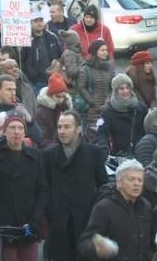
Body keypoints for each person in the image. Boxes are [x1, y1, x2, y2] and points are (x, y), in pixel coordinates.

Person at [0, 112, 48, 260]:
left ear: (25, 132)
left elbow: (42, 190)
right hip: (2, 226)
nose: (17, 132)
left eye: (20, 128)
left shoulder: (35, 156)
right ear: (4, 132)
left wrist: (36, 219)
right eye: (12, 127)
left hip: (28, 225)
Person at [42, 111, 107, 261]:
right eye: (59, 127)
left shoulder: (93, 153)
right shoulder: (47, 155)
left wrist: (95, 212)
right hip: (58, 225)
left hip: (86, 222)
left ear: (78, 129)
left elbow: (103, 186)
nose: (62, 131)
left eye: (67, 127)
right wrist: (50, 211)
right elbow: (43, 188)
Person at [78, 159, 153, 261]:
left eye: (140, 180)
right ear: (119, 182)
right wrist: (97, 248)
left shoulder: (146, 206)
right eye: (131, 179)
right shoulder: (104, 207)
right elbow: (85, 244)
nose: (137, 183)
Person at [96, 74, 148, 157]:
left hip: (141, 152)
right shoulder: (107, 112)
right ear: (115, 91)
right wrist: (104, 149)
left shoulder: (141, 108)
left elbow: (148, 128)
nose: (125, 91)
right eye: (121, 88)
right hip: (120, 155)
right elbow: (101, 132)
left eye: (128, 88)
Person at [21, 10, 62, 93]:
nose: (39, 23)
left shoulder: (52, 37)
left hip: (53, 78)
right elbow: (22, 62)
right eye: (36, 21)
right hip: (35, 82)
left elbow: (60, 55)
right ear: (30, 23)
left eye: (41, 20)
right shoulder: (25, 40)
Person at [78, 39, 114, 127]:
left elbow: (113, 86)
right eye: (102, 50)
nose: (105, 52)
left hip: (108, 107)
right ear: (95, 52)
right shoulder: (86, 69)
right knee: (94, 131)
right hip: (92, 110)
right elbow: (81, 87)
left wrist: (108, 101)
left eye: (106, 50)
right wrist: (91, 101)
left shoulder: (109, 68)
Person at [35, 73, 72, 149]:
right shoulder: (41, 112)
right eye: (58, 96)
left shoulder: (66, 108)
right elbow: (43, 140)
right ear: (50, 96)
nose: (61, 100)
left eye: (63, 96)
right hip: (52, 150)